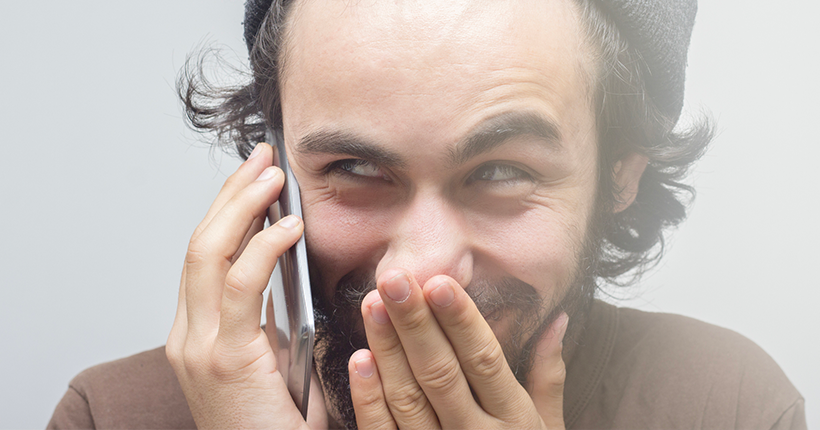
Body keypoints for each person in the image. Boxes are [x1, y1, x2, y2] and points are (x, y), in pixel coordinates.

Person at [48, 0, 806, 428]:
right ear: (270, 175)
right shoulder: (112, 416)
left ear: (618, 178)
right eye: (355, 169)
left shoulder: (725, 404)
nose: (418, 270)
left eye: (503, 172)